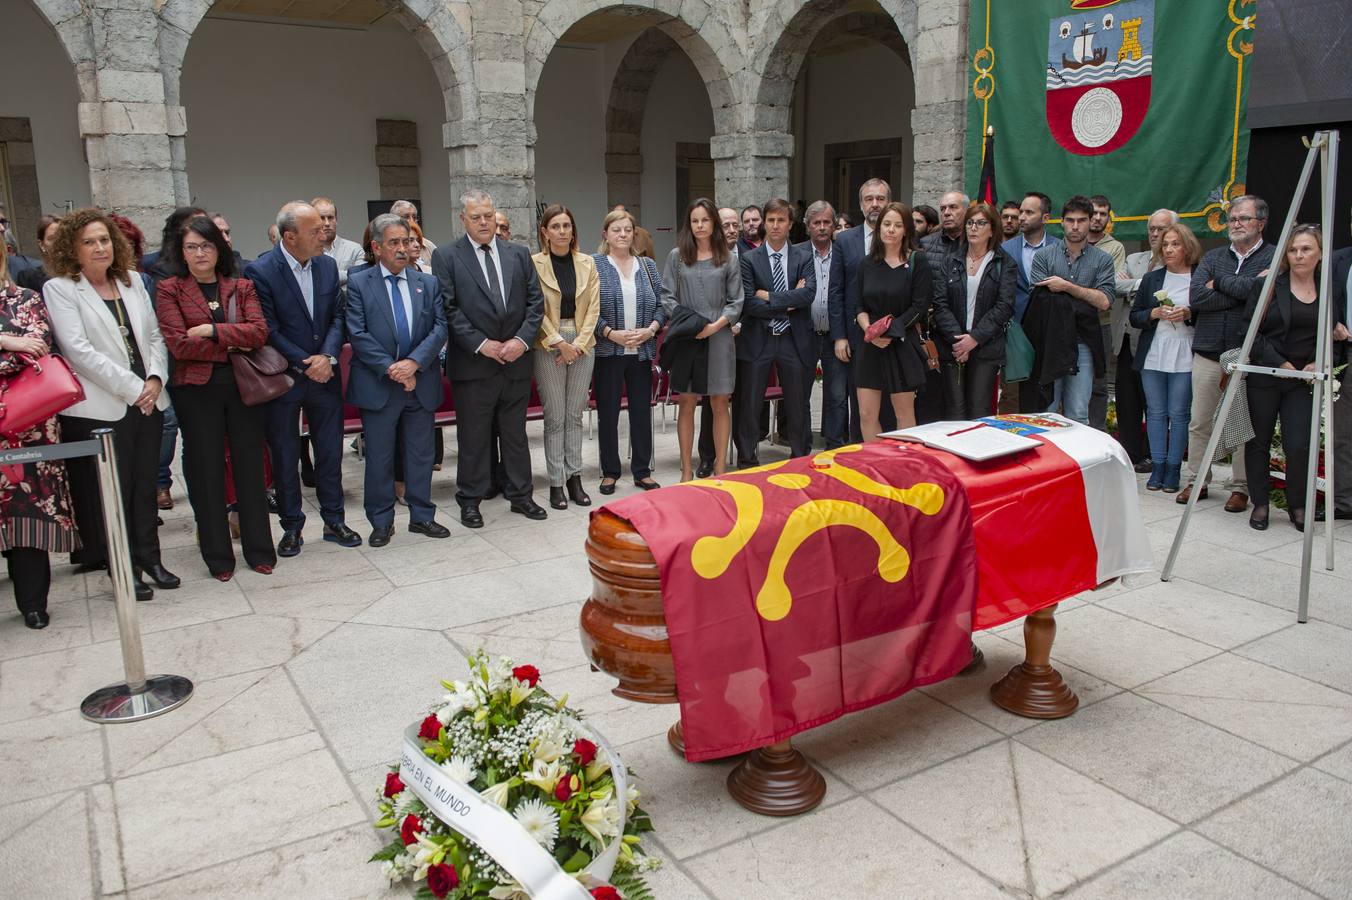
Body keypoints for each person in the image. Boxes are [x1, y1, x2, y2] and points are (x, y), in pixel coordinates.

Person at [44, 208, 177, 602]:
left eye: (104, 239)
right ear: (73, 248)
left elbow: (154, 336)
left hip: (148, 402)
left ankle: (150, 559)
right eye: (89, 242)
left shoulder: (134, 280)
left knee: (143, 486)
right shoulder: (61, 289)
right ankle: (123, 569)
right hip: (103, 408)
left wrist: (155, 379)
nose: (99, 247)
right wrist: (135, 388)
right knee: (112, 494)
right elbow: (78, 352)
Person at [155, 216, 276, 579]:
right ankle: (218, 557)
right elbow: (178, 344)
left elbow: (259, 333)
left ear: (218, 248)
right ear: (181, 252)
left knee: (250, 470)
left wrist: (210, 330)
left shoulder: (241, 286)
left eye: (206, 245)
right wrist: (232, 343)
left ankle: (259, 551)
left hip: (243, 388)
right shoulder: (169, 290)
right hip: (196, 391)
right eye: (191, 247)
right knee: (207, 473)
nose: (199, 253)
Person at [245, 201, 361, 555]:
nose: (323, 234)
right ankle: (292, 526)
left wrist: (326, 357)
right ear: (289, 236)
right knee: (284, 453)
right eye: (314, 230)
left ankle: (334, 520)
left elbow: (337, 316)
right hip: (285, 377)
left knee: (329, 452)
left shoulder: (327, 267)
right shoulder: (261, 271)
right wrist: (304, 361)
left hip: (324, 376)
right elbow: (267, 327)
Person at [432, 189, 548, 528]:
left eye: (488, 216)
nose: (484, 222)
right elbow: (447, 307)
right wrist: (481, 343)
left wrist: (521, 342)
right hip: (474, 364)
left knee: (515, 434)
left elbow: (535, 304)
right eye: (476, 217)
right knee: (473, 437)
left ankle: (521, 495)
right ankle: (470, 499)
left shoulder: (518, 253)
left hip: (515, 361)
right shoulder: (447, 256)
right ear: (463, 219)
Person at [345, 214, 450, 545]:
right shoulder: (359, 283)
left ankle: (422, 516)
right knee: (380, 456)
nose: (403, 249)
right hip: (380, 385)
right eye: (394, 243)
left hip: (420, 383)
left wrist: (414, 364)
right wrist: (394, 369)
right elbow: (358, 334)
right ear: (377, 248)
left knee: (421, 454)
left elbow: (439, 328)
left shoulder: (427, 283)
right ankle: (380, 521)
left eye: (406, 242)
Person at [1, 237, 79, 629]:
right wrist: (5, 339)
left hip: (26, 425)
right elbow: (17, 349)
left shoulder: (26, 299)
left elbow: (38, 350)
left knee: (25, 512)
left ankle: (33, 601)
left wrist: (16, 347)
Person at [1244, 225, 1344, 531]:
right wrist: (1281, 363)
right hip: (1267, 374)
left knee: (1299, 445)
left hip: (1303, 381)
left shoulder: (1330, 288)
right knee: (1258, 441)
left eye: (1306, 249)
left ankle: (1298, 504)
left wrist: (1320, 361)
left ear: (1320, 253)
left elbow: (1333, 337)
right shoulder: (1269, 286)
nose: (1299, 255)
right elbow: (1249, 334)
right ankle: (1260, 502)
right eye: (1293, 250)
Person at [1178, 195, 1275, 510]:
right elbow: (1197, 299)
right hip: (1207, 352)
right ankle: (1196, 481)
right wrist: (1243, 289)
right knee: (1200, 421)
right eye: (1233, 219)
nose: (1236, 224)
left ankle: (1240, 488)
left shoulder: (1275, 258)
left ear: (1260, 223)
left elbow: (1265, 299)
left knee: (1243, 425)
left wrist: (1218, 283)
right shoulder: (1213, 255)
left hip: (1246, 355)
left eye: (1243, 219)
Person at [662, 198, 743, 480]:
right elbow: (667, 296)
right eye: (694, 220)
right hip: (687, 336)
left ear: (714, 224)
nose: (699, 226)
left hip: (719, 337)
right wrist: (690, 324)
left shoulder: (728, 257)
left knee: (719, 402)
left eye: (705, 220)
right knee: (686, 401)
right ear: (689, 224)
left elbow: (736, 302)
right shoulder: (677, 256)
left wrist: (714, 326)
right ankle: (686, 470)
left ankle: (720, 469)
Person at [531, 204, 600, 509]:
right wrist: (560, 343)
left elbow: (595, 308)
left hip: (583, 343)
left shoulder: (587, 263)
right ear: (545, 232)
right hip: (549, 342)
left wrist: (579, 344)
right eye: (555, 226)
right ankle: (556, 483)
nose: (562, 231)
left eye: (566, 226)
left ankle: (575, 478)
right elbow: (533, 306)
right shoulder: (533, 264)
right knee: (555, 416)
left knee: (575, 415)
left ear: (573, 230)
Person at [593, 209, 665, 493]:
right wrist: (611, 334)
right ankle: (610, 471)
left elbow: (663, 305)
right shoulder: (595, 265)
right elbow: (588, 311)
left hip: (642, 352)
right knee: (608, 412)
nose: (622, 235)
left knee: (640, 412)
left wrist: (651, 330)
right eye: (616, 230)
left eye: (627, 230)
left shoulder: (647, 266)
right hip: (608, 353)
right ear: (605, 234)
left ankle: (642, 470)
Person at [738, 198, 816, 460]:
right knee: (750, 404)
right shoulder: (749, 259)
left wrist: (769, 296)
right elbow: (749, 302)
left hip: (793, 339)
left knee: (797, 404)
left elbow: (807, 296)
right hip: (759, 339)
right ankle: (747, 459)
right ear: (764, 223)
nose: (775, 225)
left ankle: (800, 457)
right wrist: (788, 299)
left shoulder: (803, 257)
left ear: (790, 224)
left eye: (781, 220)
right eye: (770, 220)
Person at [1026, 196, 1115, 425]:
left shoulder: (1102, 259)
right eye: (1070, 220)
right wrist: (1086, 296)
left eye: (1082, 220)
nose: (1075, 226)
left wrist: (1066, 287)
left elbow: (1104, 301)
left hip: (1083, 341)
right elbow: (1040, 300)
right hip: (1050, 341)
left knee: (1078, 412)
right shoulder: (1044, 256)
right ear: (1061, 222)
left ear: (1090, 221)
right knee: (1047, 410)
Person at [1130, 222, 1202, 493]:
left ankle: (1173, 469)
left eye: (1175, 244)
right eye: (1165, 244)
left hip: (1185, 350)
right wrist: (1153, 314)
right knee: (1156, 412)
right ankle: (1158, 466)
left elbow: (1209, 313)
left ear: (1187, 247)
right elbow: (1135, 316)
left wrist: (1188, 314)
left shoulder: (1199, 275)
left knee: (1179, 413)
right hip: (1154, 352)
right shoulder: (1152, 278)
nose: (1169, 249)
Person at [854, 202, 932, 439]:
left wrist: (888, 332)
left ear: (906, 230)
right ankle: (874, 466)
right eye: (886, 224)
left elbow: (919, 307)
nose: (891, 230)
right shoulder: (867, 264)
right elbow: (859, 306)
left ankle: (903, 469)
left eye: (897, 225)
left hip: (901, 344)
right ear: (879, 229)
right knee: (867, 414)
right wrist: (870, 331)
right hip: (870, 346)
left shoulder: (918, 262)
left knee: (904, 414)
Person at [932, 201, 1016, 419]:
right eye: (970, 223)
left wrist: (975, 339)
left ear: (992, 229)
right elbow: (940, 304)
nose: (973, 228)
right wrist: (960, 341)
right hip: (953, 346)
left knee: (979, 411)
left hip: (986, 348)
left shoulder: (1004, 263)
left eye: (980, 223)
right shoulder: (950, 260)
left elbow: (1004, 306)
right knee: (954, 410)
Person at [830, 178, 893, 443]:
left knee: (891, 403)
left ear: (889, 202)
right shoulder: (845, 241)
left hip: (893, 335)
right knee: (861, 406)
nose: (875, 204)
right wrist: (840, 336)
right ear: (861, 204)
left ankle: (891, 459)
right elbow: (836, 290)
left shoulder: (901, 237)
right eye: (869, 199)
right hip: (856, 336)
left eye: (880, 198)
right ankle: (861, 460)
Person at [1115, 209, 1178, 470]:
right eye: (1151, 228)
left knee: (1154, 401)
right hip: (1127, 339)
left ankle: (1155, 454)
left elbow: (1166, 294)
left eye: (1161, 229)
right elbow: (1115, 286)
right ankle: (1130, 454)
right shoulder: (1134, 258)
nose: (1154, 233)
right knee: (1126, 400)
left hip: (1155, 341)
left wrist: (1135, 286)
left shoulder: (1175, 263)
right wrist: (1146, 286)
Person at [696, 207, 748, 476]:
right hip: (714, 337)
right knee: (711, 401)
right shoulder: (702, 256)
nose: (731, 229)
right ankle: (708, 457)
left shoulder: (749, 255)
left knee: (739, 401)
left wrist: (736, 323)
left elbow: (744, 298)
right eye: (725, 224)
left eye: (734, 225)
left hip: (744, 339)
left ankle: (742, 455)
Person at [803, 200, 848, 447]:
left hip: (836, 334)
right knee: (802, 394)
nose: (821, 227)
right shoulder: (797, 253)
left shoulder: (844, 252)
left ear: (833, 226)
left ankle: (834, 444)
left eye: (826, 222)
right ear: (808, 226)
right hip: (805, 334)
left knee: (837, 394)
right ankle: (803, 444)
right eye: (816, 223)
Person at [1087, 195, 1128, 432]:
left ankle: (1097, 433)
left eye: (1103, 214)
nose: (1098, 218)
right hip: (1068, 323)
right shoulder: (1069, 242)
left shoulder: (1115, 247)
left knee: (1099, 383)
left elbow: (1110, 288)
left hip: (1100, 324)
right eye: (1094, 213)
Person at [1332, 220, 1352, 520]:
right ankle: (1345, 503)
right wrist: (1333, 322)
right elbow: (1327, 302)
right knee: (1343, 433)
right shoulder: (1339, 259)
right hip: (1346, 352)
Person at [312, 197, 366, 286]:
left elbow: (362, 276)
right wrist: (348, 274)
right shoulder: (307, 252)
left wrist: (324, 275)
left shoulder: (355, 249)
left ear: (336, 220)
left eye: (330, 218)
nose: (327, 223)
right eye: (321, 218)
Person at [14, 215, 60, 293]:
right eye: (52, 238)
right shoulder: (28, 278)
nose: (58, 242)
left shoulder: (81, 273)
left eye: (62, 237)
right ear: (42, 244)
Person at [920, 191, 967, 263]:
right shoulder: (925, 244)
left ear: (966, 210)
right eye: (942, 209)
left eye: (953, 207)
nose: (946, 213)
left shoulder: (977, 243)